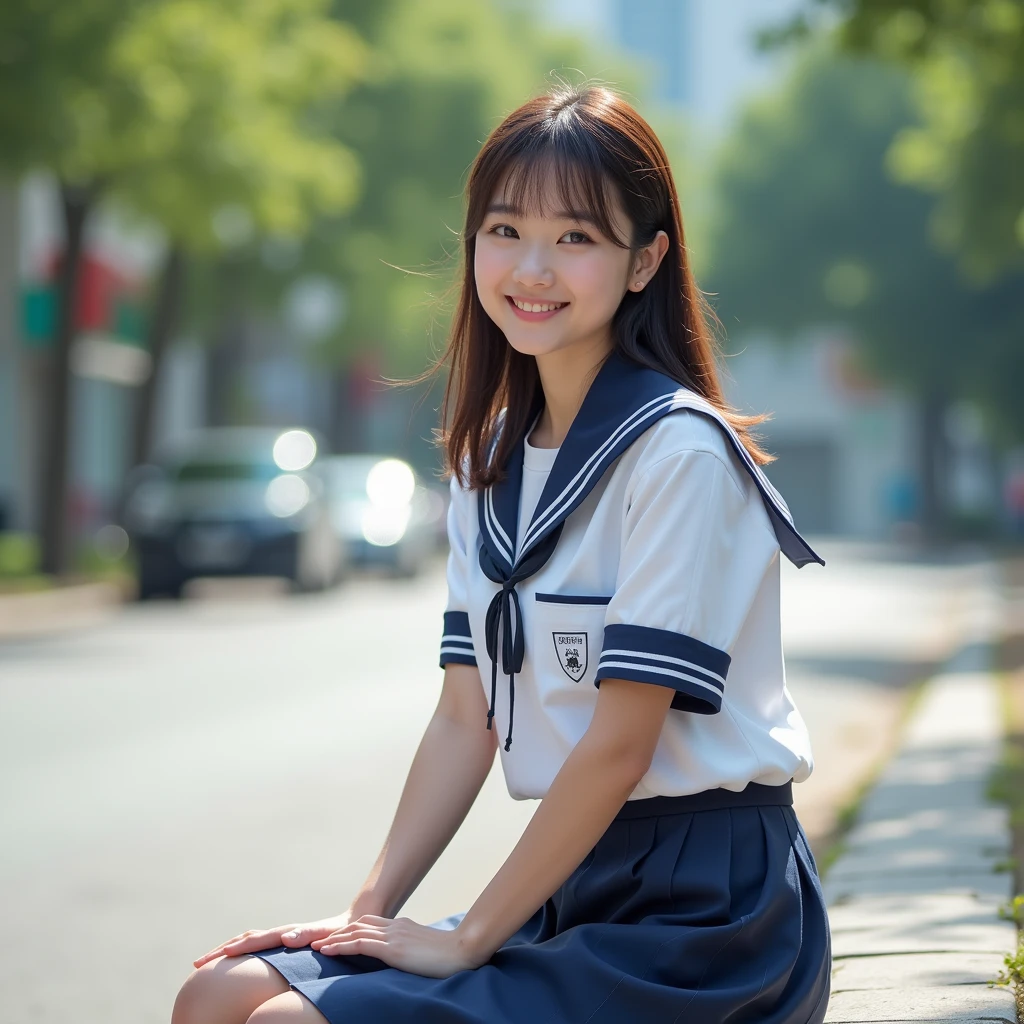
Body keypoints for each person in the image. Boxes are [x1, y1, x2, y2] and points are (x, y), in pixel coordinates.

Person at [172, 84, 831, 1024]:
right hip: (579, 884)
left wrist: (471, 934)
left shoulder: (677, 452)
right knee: (215, 996)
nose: (532, 267)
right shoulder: (486, 462)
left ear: (645, 261)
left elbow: (620, 743)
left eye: (576, 238)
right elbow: (462, 719)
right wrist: (364, 917)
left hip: (710, 913)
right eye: (504, 229)